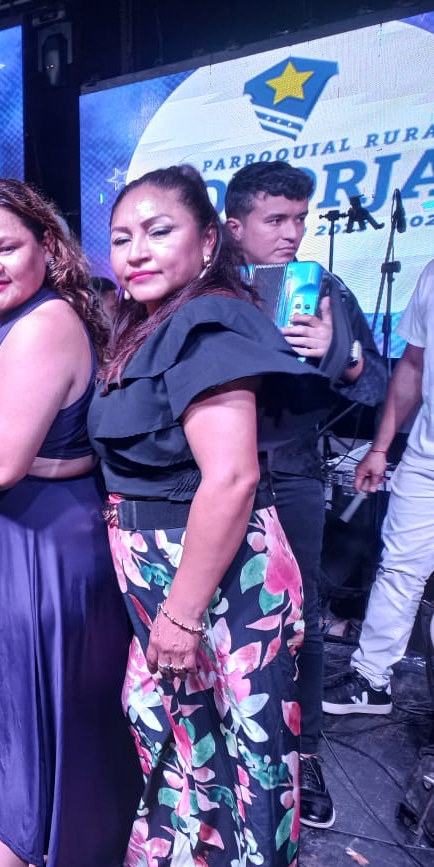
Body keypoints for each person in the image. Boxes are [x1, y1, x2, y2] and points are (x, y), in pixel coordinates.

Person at [89, 166, 330, 865]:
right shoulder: (152, 323)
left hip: (219, 580)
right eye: (122, 238)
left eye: (158, 231)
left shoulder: (207, 320)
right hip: (171, 576)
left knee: (245, 759)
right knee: (188, 746)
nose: (136, 251)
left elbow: (230, 477)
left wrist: (183, 612)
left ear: (206, 243)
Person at [0, 179, 140, 866]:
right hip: (11, 545)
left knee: (40, 724)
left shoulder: (43, 323)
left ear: (47, 246)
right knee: (19, 722)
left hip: (42, 553)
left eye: (6, 247)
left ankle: (43, 848)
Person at [224, 161, 387, 828]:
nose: (292, 232)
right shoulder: (205, 286)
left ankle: (306, 749)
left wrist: (340, 354)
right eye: (276, 219)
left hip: (291, 470)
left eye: (299, 218)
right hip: (208, 473)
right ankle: (228, 741)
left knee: (303, 615)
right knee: (219, 611)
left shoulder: (324, 290)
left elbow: (374, 385)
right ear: (234, 226)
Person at [323, 258, 434, 715]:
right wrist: (381, 447)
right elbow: (413, 365)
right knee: (398, 570)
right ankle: (372, 680)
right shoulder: (431, 274)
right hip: (426, 457)